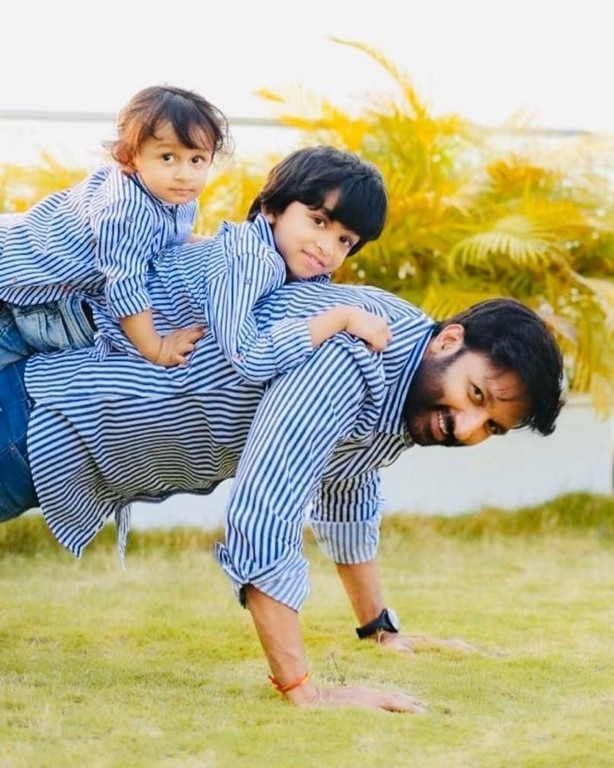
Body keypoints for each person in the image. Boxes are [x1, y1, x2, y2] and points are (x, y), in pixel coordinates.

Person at [0, 277, 565, 713]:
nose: (465, 427)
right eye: (474, 395)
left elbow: (348, 485)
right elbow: (265, 508)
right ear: (448, 340)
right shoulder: (350, 358)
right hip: (36, 421)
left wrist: (380, 629)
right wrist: (304, 690)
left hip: (61, 441)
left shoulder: (406, 380)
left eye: (490, 426)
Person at [92, 145, 392, 374]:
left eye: (345, 241)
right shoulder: (252, 260)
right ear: (272, 208)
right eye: (319, 221)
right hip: (79, 324)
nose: (328, 248)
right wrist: (341, 319)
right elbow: (247, 358)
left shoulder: (286, 264)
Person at [0, 84, 231, 369]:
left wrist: (219, 245)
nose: (184, 174)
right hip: (16, 268)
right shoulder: (126, 211)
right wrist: (156, 348)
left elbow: (172, 238)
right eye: (167, 157)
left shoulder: (173, 195)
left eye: (197, 160)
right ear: (128, 157)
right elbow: (125, 286)